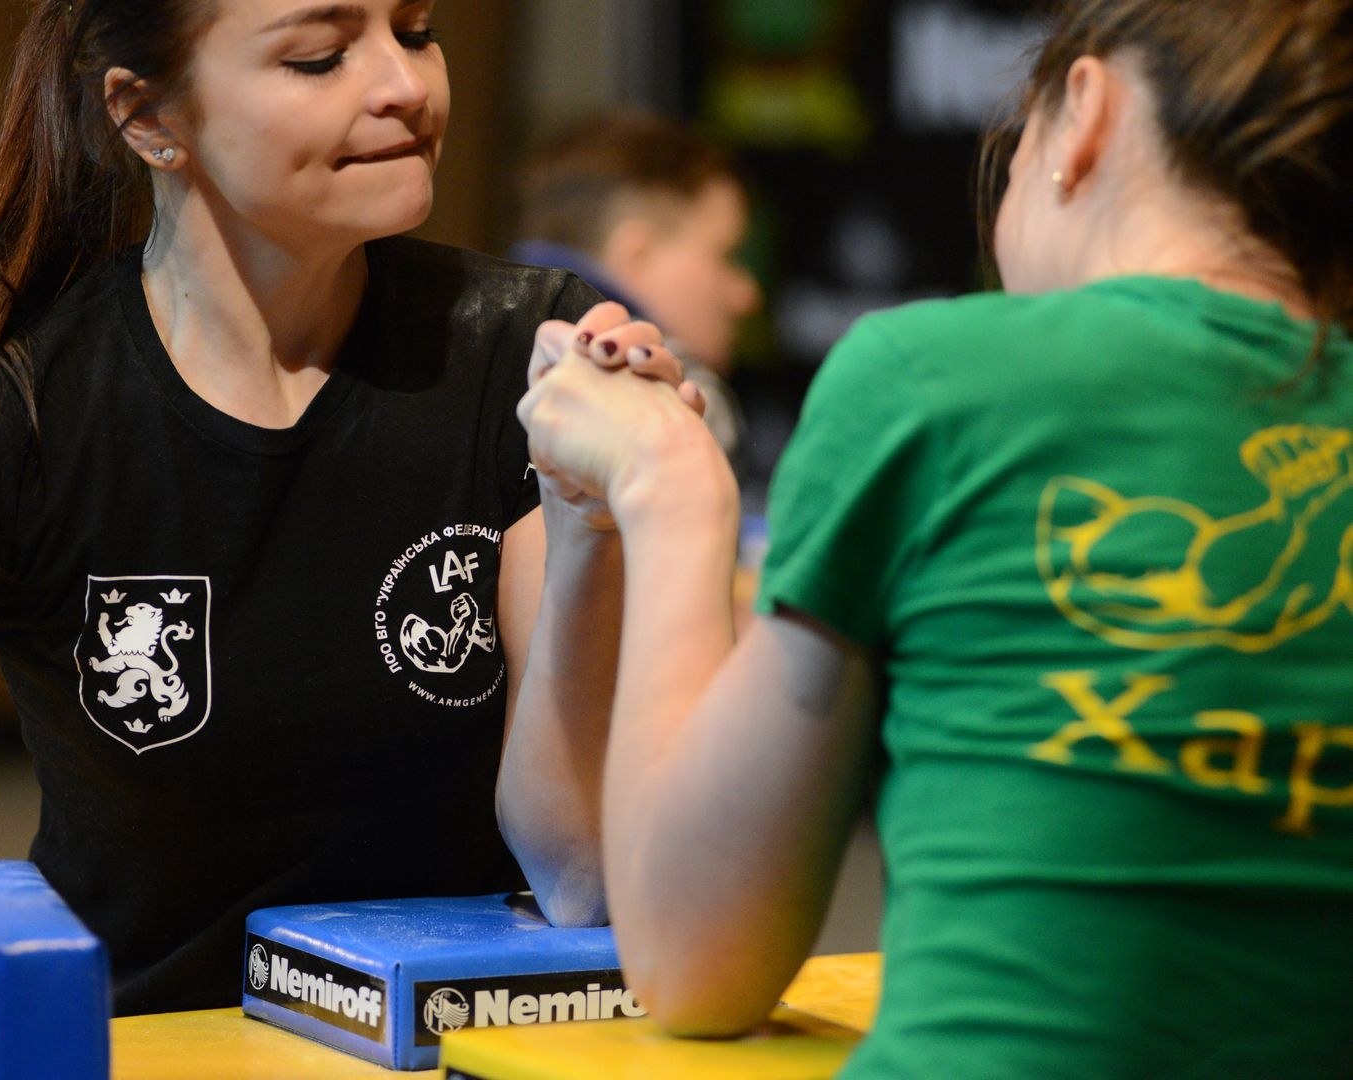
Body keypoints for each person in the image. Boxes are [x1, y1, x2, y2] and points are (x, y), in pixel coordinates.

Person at [0, 0, 690, 1017]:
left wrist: (590, 521)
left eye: (416, 31)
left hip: (460, 1043)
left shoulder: (531, 355)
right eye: (320, 56)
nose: (405, 86)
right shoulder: (2, 415)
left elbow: (578, 874)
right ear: (150, 119)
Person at [519, 0, 1353, 1074]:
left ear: (1085, 116)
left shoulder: (931, 377)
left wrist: (666, 481)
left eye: (1007, 157)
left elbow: (691, 962)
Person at [509, 112, 761, 471]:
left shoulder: (469, 349)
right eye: (726, 256)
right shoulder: (677, 396)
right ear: (636, 256)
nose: (746, 295)